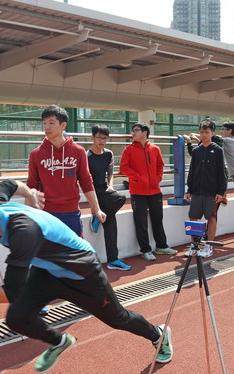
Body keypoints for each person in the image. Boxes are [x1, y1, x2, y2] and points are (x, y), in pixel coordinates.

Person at [0, 181, 172, 372]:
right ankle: (60, 341)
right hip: (48, 269)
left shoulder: (23, 232)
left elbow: (11, 292)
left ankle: (158, 335)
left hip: (81, 271)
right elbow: (8, 184)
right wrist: (29, 192)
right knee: (17, 318)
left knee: (118, 318)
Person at [26, 105, 105, 237]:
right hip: (46, 214)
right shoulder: (35, 154)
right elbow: (31, 186)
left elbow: (86, 181)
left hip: (71, 213)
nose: (46, 127)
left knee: (74, 254)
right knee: (49, 254)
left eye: (51, 123)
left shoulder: (78, 151)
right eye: (44, 123)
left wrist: (96, 209)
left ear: (63, 125)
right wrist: (28, 213)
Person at [119, 122, 176, 261]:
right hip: (138, 191)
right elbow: (123, 168)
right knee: (141, 222)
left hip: (155, 190)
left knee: (158, 219)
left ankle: (161, 246)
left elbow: (160, 166)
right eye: (132, 131)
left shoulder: (155, 149)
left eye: (136, 130)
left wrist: (157, 178)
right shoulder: (128, 150)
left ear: (144, 132)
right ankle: (145, 250)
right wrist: (138, 178)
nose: (133, 133)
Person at [87, 124, 131, 271]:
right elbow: (83, 179)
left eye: (105, 138)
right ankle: (113, 259)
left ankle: (112, 260)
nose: (102, 141)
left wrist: (111, 185)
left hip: (104, 190)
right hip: (93, 191)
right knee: (119, 202)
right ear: (92, 137)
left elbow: (110, 173)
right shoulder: (86, 156)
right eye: (99, 137)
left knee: (110, 218)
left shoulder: (108, 154)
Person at [185, 121, 227, 258]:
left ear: (212, 133)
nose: (204, 135)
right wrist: (189, 189)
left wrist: (221, 192)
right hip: (196, 190)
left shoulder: (218, 150)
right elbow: (192, 171)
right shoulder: (196, 151)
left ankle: (209, 245)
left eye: (207, 132)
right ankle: (195, 245)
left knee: (212, 217)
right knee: (193, 218)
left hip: (212, 192)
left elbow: (222, 172)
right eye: (202, 132)